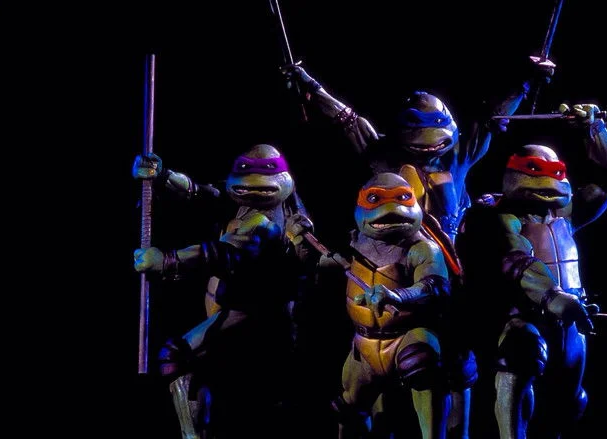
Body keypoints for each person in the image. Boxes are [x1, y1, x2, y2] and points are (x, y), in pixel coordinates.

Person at [282, 60, 552, 438]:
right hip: (391, 263)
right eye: (418, 136)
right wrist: (311, 87)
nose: (429, 146)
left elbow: (492, 120)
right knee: (376, 352)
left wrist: (526, 83)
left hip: (448, 269)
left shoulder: (457, 157)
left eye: (437, 136)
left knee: (455, 365)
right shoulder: (385, 158)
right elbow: (348, 121)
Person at [457, 104, 607, 438]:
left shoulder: (564, 216)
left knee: (569, 399)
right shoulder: (499, 218)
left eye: (554, 171)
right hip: (523, 318)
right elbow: (516, 259)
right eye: (535, 169)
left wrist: (595, 130)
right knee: (519, 366)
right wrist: (552, 296)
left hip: (570, 320)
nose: (546, 180)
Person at [133, 143, 312, 438]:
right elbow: (201, 194)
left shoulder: (266, 224)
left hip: (254, 314)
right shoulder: (241, 205)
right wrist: (162, 175)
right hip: (227, 305)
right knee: (208, 373)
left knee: (176, 356)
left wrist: (167, 261)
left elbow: (222, 253)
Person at [287, 172, 452, 439]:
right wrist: (300, 242)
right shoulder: (355, 245)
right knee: (347, 409)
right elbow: (316, 267)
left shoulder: (422, 249)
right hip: (364, 345)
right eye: (376, 200)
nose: (390, 212)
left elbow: (435, 285)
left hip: (406, 337)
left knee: (422, 364)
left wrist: (398, 296)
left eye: (401, 199)